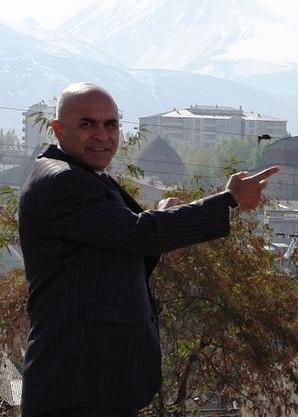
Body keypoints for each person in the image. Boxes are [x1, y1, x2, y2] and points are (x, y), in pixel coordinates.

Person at [17, 83, 278, 416]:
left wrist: (161, 221)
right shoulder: (63, 181)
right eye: (87, 124)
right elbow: (140, 233)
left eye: (110, 124)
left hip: (95, 384)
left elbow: (120, 240)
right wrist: (229, 202)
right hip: (77, 385)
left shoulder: (87, 176)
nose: (101, 134)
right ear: (58, 129)